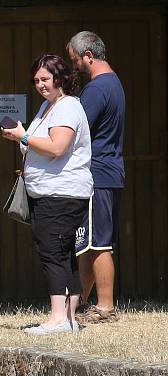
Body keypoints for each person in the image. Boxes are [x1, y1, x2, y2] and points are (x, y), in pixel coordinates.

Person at [0, 53, 92, 335]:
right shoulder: (47, 107)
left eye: (45, 79)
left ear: (60, 78)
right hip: (48, 192)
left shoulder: (67, 108)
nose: (40, 84)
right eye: (36, 80)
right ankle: (69, 318)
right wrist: (22, 136)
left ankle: (58, 319)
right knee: (63, 253)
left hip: (61, 194)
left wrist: (22, 136)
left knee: (53, 253)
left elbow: (56, 147)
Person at [67, 31, 126, 324]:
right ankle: (79, 304)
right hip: (110, 172)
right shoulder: (114, 83)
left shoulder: (96, 89)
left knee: (99, 244)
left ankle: (104, 307)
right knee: (88, 244)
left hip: (97, 173)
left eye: (75, 60)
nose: (74, 66)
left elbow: (76, 129)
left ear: (88, 56)